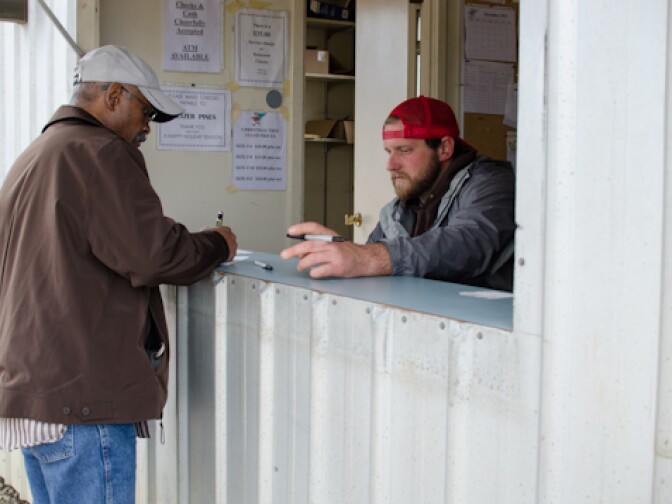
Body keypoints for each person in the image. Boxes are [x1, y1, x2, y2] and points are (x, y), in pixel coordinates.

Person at [0, 45, 237, 502]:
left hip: (32, 398)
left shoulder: (33, 156)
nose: (145, 128)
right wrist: (218, 243)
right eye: (145, 112)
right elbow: (154, 254)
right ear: (113, 96)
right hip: (82, 404)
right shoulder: (101, 152)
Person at [282, 95, 515, 291]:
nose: (391, 165)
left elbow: (468, 244)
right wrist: (339, 256)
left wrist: (372, 258)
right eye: (389, 151)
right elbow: (370, 264)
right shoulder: (395, 211)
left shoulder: (491, 184)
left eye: (404, 150)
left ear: (445, 148)